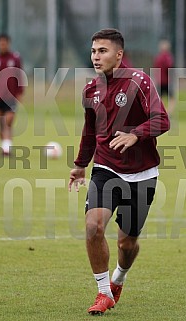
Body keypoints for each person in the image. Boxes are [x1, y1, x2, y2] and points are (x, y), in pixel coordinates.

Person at [69, 28, 170, 316]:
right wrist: (79, 164)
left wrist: (136, 134)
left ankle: (119, 279)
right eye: (93, 51)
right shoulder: (90, 89)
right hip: (105, 167)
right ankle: (103, 294)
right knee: (93, 226)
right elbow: (90, 132)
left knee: (127, 243)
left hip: (142, 173)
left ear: (119, 54)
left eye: (102, 51)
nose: (96, 57)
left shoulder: (140, 82)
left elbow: (162, 119)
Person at [0, 34, 24, 155]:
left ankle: (7, 146)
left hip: (11, 97)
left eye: (5, 43)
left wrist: (20, 92)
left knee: (8, 121)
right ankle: (4, 145)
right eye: (1, 43)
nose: (3, 45)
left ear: (8, 43)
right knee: (0, 123)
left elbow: (20, 76)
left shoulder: (15, 58)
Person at [153, 39, 175, 115]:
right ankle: (168, 112)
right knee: (172, 98)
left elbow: (155, 69)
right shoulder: (168, 57)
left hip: (159, 81)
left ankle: (162, 112)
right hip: (167, 80)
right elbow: (169, 67)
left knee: (160, 98)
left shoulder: (158, 57)